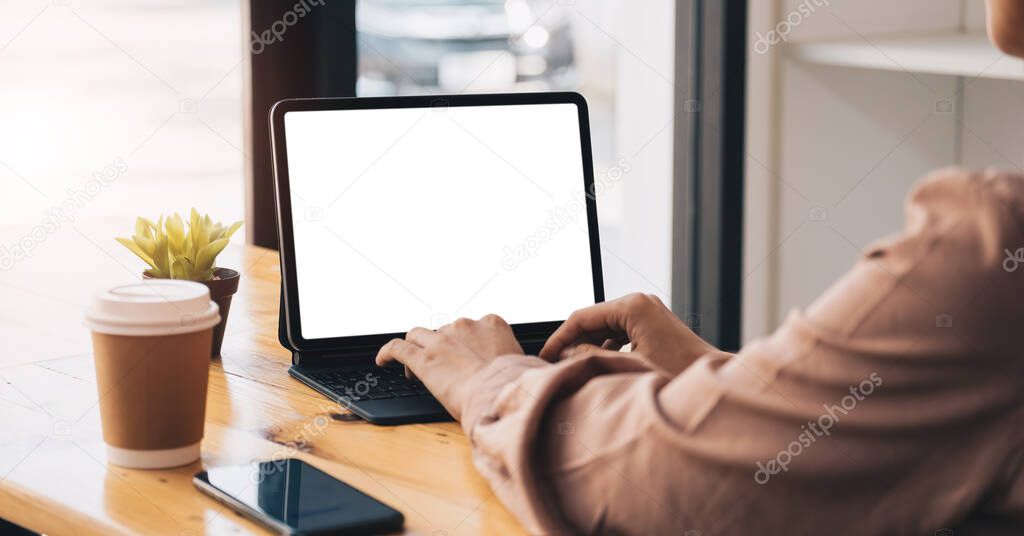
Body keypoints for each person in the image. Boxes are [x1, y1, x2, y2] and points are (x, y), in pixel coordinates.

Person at [377, 2, 1024, 533]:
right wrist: (708, 377)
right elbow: (877, 442)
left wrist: (491, 378)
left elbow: (650, 481)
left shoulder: (993, 256)